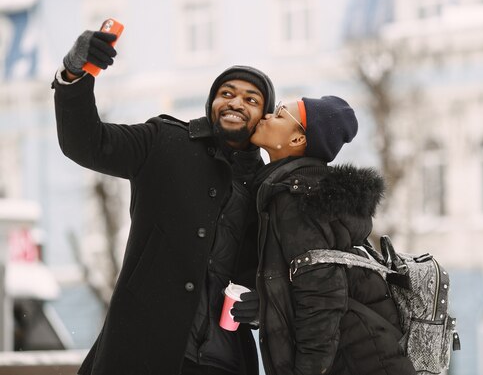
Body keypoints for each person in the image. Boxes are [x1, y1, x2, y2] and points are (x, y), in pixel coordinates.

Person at [51, 29, 274, 375]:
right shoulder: (165, 142)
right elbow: (85, 142)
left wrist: (265, 303)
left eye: (251, 99)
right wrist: (74, 74)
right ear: (212, 103)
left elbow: (276, 268)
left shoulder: (267, 187)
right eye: (226, 93)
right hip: (143, 350)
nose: (236, 103)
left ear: (264, 117)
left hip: (225, 361)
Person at [249, 96, 416, 375]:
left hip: (354, 361)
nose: (266, 116)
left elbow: (321, 297)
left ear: (296, 141)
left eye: (279, 115)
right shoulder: (303, 192)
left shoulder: (297, 198)